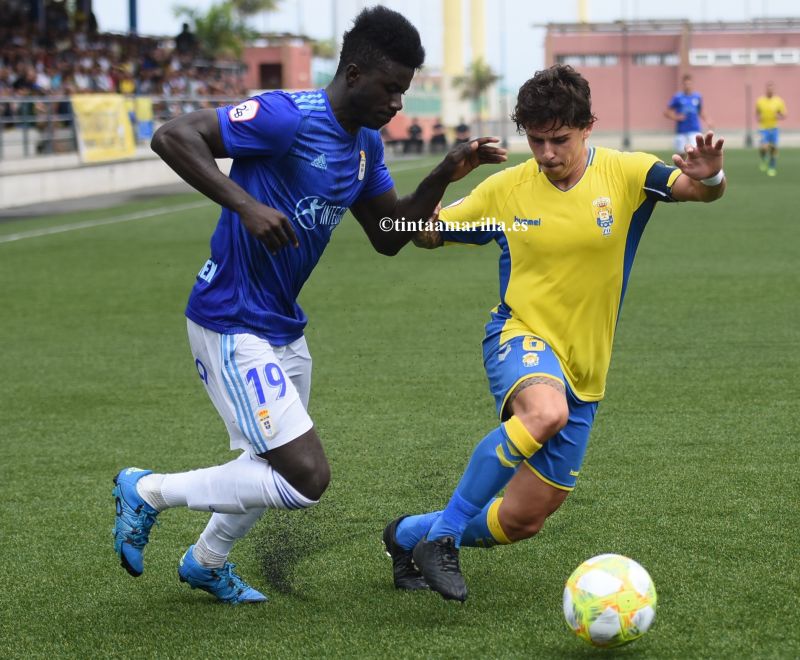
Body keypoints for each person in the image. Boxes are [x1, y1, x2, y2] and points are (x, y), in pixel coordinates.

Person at [111, 6, 506, 605]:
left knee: (265, 468)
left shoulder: (365, 146)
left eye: (405, 90)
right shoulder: (284, 116)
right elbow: (172, 135)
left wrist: (447, 171)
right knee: (305, 478)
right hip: (230, 317)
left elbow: (389, 234)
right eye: (391, 87)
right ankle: (147, 491)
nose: (398, 102)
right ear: (353, 72)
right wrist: (243, 203)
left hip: (282, 327)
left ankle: (206, 561)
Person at [382, 64, 726, 602]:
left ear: (589, 125)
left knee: (522, 521)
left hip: (587, 365)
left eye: (559, 139)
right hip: (519, 334)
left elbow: (699, 192)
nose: (545, 153)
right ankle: (443, 539)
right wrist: (444, 178)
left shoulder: (628, 174)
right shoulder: (507, 189)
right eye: (536, 140)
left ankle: (406, 536)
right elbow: (413, 233)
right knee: (544, 413)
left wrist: (711, 176)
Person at [664, 73, 712, 155]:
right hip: (681, 131)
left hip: (694, 129)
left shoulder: (697, 97)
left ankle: (695, 168)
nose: (687, 86)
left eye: (689, 83)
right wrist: (677, 117)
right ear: (682, 84)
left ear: (692, 84)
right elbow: (666, 113)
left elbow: (700, 111)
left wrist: (708, 121)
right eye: (685, 84)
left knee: (695, 153)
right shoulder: (678, 97)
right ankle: (679, 168)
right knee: (681, 154)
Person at [755, 81, 787, 177]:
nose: (770, 90)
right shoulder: (760, 101)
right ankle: (764, 159)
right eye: (768, 88)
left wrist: (779, 116)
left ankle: (772, 167)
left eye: (772, 88)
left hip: (774, 128)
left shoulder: (779, 101)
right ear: (766, 89)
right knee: (764, 147)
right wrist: (758, 118)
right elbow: (757, 113)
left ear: (774, 90)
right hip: (763, 128)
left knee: (774, 148)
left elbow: (784, 115)